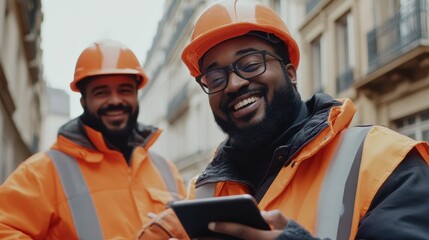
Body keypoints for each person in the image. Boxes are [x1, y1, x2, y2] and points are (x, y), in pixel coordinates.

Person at [137, 0, 429, 239]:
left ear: (290, 73)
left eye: (251, 64)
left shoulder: (384, 161)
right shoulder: (204, 192)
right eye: (215, 77)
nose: (234, 83)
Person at [0, 39, 186, 239]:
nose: (115, 100)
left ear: (136, 95)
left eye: (124, 90)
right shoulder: (43, 171)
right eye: (101, 92)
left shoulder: (166, 170)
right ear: (83, 101)